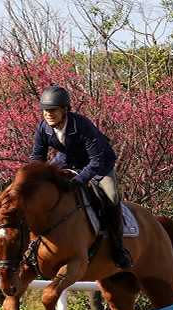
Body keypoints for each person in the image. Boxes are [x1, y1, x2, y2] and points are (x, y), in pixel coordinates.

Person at [29, 85, 132, 269]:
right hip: (67, 161)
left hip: (100, 164)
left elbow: (96, 161)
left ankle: (118, 249)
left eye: (53, 110)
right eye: (45, 110)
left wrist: (77, 181)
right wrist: (36, 181)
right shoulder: (43, 128)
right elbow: (37, 158)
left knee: (111, 196)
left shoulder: (82, 125)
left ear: (65, 110)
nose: (48, 114)